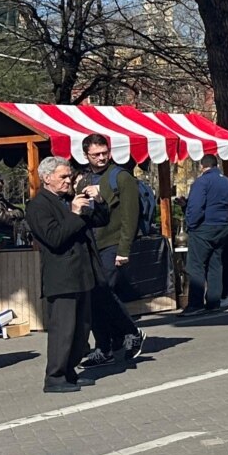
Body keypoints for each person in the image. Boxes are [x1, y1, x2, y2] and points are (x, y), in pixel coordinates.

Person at [26, 156, 101, 388]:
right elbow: (54, 238)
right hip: (61, 277)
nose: (68, 181)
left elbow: (100, 220)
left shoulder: (69, 200)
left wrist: (98, 202)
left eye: (69, 176)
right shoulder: (38, 205)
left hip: (82, 274)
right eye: (63, 177)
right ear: (47, 179)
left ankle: (70, 371)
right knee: (63, 330)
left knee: (81, 329)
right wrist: (74, 213)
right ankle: (55, 376)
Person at [74, 133, 144, 365]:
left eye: (105, 153)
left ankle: (129, 333)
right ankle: (108, 344)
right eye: (96, 155)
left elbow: (130, 216)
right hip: (92, 245)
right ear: (86, 156)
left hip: (113, 243)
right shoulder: (84, 180)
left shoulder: (121, 178)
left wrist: (124, 249)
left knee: (103, 292)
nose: (102, 158)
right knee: (95, 295)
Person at [180, 154, 228, 313]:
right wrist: (227, 222)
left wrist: (191, 224)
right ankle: (214, 301)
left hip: (203, 228)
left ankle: (195, 304)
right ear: (216, 164)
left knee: (196, 265)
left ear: (202, 166)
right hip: (223, 227)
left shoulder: (202, 182)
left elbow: (196, 207)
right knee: (215, 264)